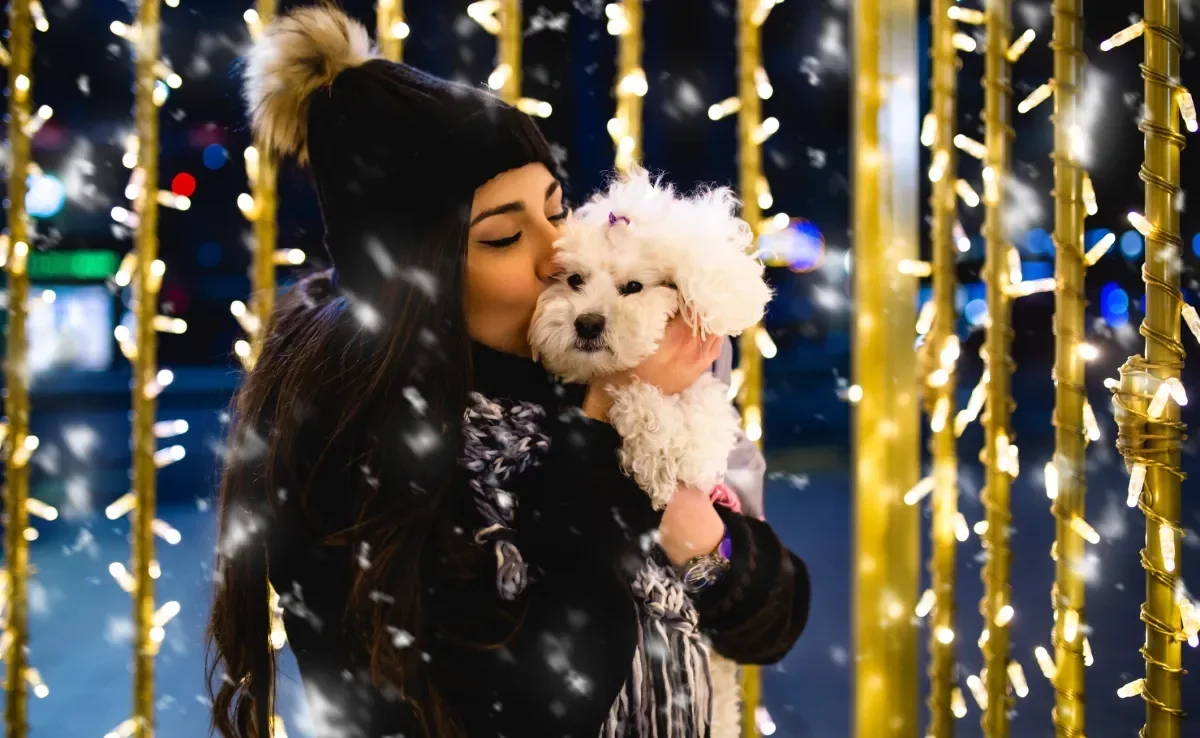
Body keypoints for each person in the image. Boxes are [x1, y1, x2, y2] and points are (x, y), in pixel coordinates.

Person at [206, 6, 810, 738]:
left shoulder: (570, 377)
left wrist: (701, 537)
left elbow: (772, 622)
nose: (557, 251)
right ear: (416, 275)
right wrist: (606, 442)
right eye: (503, 234)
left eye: (556, 209)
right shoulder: (351, 438)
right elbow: (535, 705)